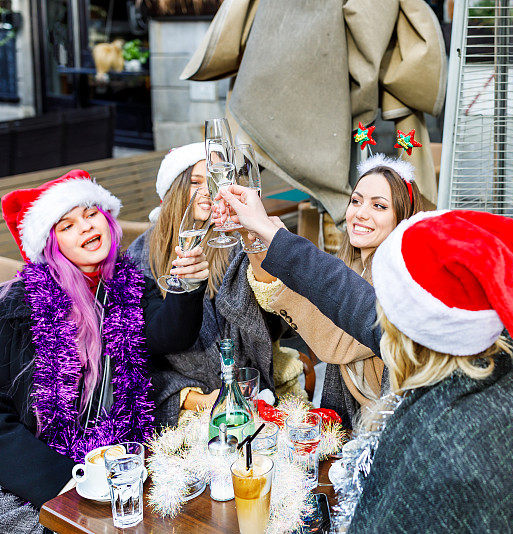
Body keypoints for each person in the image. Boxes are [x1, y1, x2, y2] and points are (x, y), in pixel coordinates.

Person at [214, 186, 513, 531]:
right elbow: (350, 297)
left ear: (403, 328)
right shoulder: (505, 359)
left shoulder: (429, 444)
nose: (378, 313)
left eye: (387, 308)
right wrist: (269, 232)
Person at [0, 171, 207, 531]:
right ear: (50, 245)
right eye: (66, 225)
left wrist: (186, 285)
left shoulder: (128, 285)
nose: (85, 227)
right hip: (41, 474)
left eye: (91, 213)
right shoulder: (18, 308)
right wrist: (69, 482)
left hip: (120, 458)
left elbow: (167, 337)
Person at [247, 154, 422, 428]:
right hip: (354, 422)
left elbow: (335, 341)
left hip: (393, 430)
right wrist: (256, 241)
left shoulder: (400, 284)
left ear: (403, 218)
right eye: (356, 200)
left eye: (379, 205)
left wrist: (277, 243)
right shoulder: (349, 266)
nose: (360, 213)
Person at [126, 144, 285, 427]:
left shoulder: (236, 240)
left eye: (213, 181)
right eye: (195, 182)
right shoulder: (142, 254)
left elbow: (271, 323)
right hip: (182, 397)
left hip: (247, 383)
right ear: (174, 192)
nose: (206, 191)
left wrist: (258, 245)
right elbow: (151, 342)